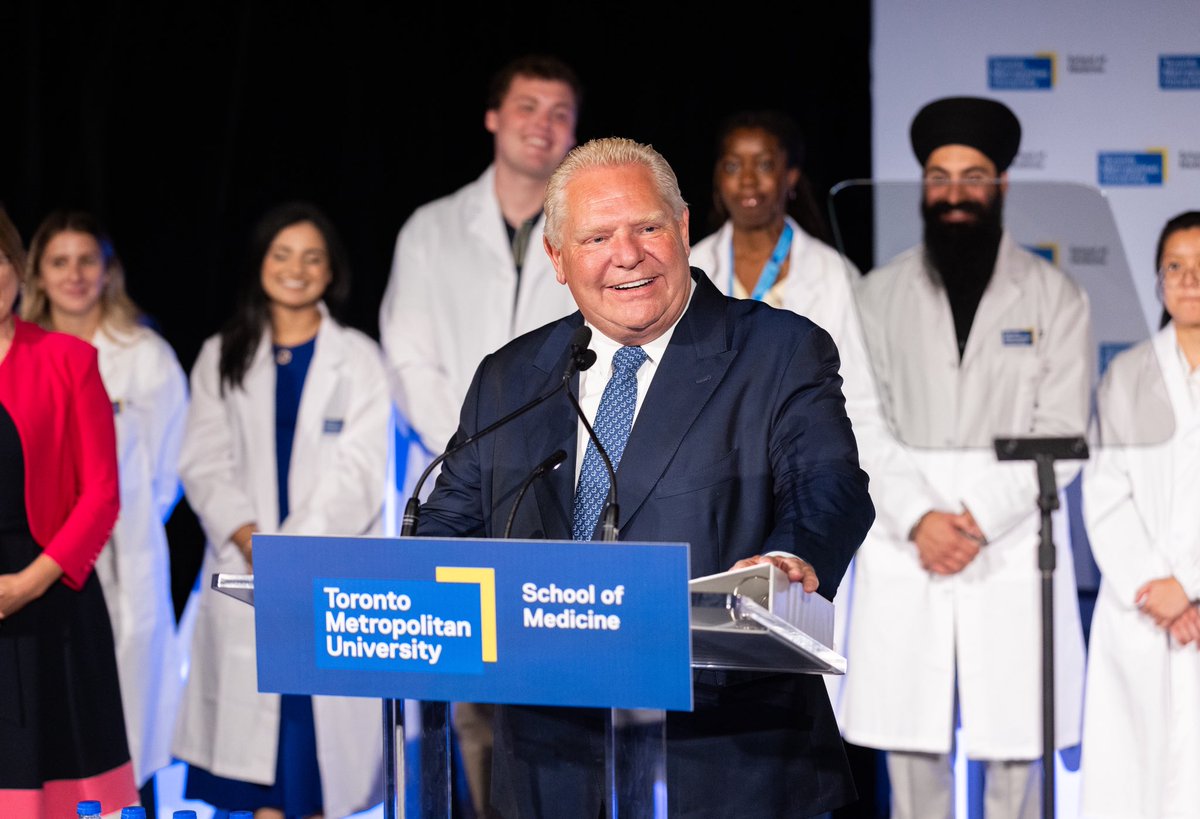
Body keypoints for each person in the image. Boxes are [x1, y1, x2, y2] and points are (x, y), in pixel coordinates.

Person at [418, 136, 876, 818]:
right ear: (557, 258)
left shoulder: (778, 350)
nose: (627, 254)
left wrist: (791, 558)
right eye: (596, 237)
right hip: (548, 765)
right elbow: (445, 531)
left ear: (684, 229)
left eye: (648, 228)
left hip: (728, 758)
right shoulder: (510, 378)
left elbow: (828, 485)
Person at [837, 96, 1091, 819]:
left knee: (1016, 749)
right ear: (923, 188)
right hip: (906, 540)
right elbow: (858, 420)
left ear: (1001, 185)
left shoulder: (1056, 296)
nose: (954, 193)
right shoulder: (875, 294)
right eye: (939, 177)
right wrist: (920, 518)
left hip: (1007, 546)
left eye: (972, 176)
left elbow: (1063, 431)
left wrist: (976, 517)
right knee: (912, 757)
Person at [377, 52, 582, 817]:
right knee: (470, 694)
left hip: (564, 483)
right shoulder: (431, 230)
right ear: (494, 117)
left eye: (560, 113)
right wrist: (482, 452)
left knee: (558, 689)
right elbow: (409, 359)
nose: (542, 125)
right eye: (527, 107)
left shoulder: (589, 231)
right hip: (459, 488)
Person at [172, 202, 390, 819]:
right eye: (283, 254)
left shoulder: (359, 359)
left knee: (314, 767)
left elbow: (360, 470)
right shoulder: (222, 353)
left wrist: (290, 551)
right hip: (245, 568)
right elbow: (203, 460)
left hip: (323, 566)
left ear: (332, 272)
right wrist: (251, 539)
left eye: (312, 257)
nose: (297, 269)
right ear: (261, 264)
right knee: (255, 777)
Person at [22, 209, 188, 810]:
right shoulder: (21, 353)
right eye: (59, 262)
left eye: (86, 260)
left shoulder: (146, 356)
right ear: (36, 274)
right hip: (40, 557)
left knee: (130, 716)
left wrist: (117, 526)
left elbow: (168, 467)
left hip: (128, 555)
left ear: (107, 270)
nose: (74, 275)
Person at [0, 206, 138, 816]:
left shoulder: (68, 359)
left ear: (18, 268)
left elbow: (102, 493)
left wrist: (27, 584)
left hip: (51, 598)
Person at [1079, 210, 1200, 819]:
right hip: (1142, 612)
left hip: (1190, 606)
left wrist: (1192, 585)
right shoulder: (1126, 376)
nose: (1189, 279)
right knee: (1131, 783)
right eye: (1175, 266)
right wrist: (1158, 588)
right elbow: (1105, 491)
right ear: (1158, 279)